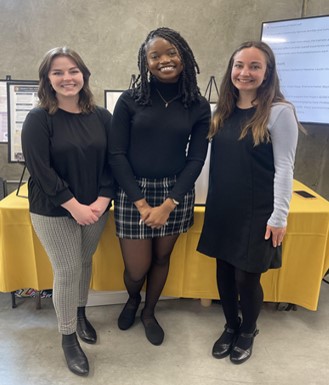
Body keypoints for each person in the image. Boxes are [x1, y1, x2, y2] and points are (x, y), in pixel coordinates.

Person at [197, 41, 300, 364]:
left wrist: (279, 216)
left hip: (258, 210)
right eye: (240, 65)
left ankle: (248, 330)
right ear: (231, 70)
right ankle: (230, 325)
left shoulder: (279, 112)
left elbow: (285, 167)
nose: (245, 72)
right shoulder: (222, 110)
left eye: (255, 66)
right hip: (223, 206)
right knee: (224, 271)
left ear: (267, 73)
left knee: (247, 276)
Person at [109, 27, 211, 346]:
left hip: (175, 194)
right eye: (155, 56)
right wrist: (142, 204)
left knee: (162, 259)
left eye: (171, 53)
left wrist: (169, 204)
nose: (164, 60)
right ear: (146, 62)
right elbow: (116, 154)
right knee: (137, 269)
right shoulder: (130, 100)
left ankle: (149, 312)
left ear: (184, 56)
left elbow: (196, 159)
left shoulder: (197, 104)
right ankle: (132, 299)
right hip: (132, 192)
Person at [21, 47, 115, 376]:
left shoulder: (102, 116)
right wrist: (74, 206)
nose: (67, 78)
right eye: (58, 72)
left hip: (95, 208)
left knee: (84, 262)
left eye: (73, 71)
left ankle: (80, 312)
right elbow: (41, 170)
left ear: (84, 75)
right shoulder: (38, 119)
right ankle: (68, 336)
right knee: (67, 268)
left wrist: (102, 201)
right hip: (54, 209)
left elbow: (113, 161)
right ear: (47, 79)